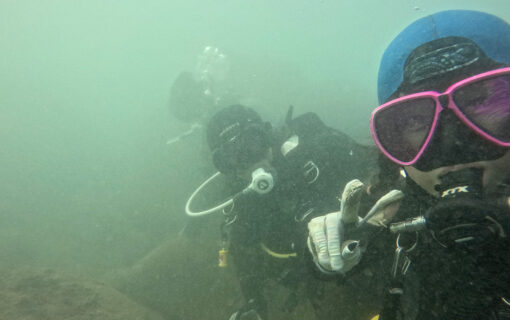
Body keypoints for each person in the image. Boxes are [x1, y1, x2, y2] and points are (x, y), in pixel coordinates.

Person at [307, 10, 510, 319]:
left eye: (479, 100)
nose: (452, 146)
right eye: (416, 119)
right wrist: (330, 258)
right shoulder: (388, 220)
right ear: (392, 140)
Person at [203, 104, 376, 319]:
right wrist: (254, 303)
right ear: (225, 167)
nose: (249, 158)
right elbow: (244, 257)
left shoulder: (317, 150)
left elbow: (376, 177)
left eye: (252, 143)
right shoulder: (241, 203)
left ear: (266, 134)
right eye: (232, 156)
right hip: (316, 284)